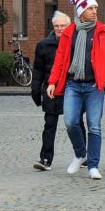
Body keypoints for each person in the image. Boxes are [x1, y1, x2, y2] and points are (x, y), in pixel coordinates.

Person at [46, 0, 105, 181]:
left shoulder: (104, 31)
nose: (95, 11)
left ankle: (93, 166)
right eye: (90, 8)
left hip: (95, 86)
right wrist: (52, 81)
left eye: (96, 8)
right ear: (81, 12)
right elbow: (60, 59)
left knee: (94, 126)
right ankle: (81, 154)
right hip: (73, 84)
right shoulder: (69, 33)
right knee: (70, 121)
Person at [31, 11, 73, 171]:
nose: (60, 29)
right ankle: (45, 158)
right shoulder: (44, 45)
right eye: (57, 26)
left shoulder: (74, 43)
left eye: (63, 26)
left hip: (71, 89)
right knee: (49, 124)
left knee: (75, 124)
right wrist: (35, 90)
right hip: (51, 89)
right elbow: (38, 70)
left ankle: (83, 154)